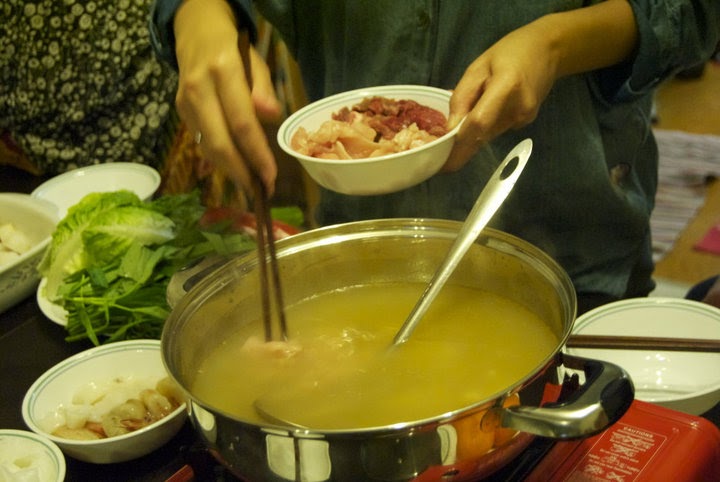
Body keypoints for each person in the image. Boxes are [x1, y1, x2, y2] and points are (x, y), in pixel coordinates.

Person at [149, 0, 720, 315]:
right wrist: (198, 16)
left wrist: (555, 42)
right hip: (364, 258)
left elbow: (693, 13)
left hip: (572, 254)